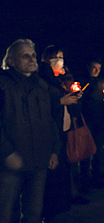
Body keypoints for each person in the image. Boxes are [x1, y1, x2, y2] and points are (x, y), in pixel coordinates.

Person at [0, 39, 61, 223]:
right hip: (10, 163)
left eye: (33, 55)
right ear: (11, 61)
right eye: (25, 56)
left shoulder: (41, 86)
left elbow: (49, 122)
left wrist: (54, 150)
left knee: (33, 214)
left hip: (38, 162)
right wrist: (7, 152)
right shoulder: (3, 86)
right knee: (5, 213)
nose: (32, 59)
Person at [38, 45, 84, 220]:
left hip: (63, 130)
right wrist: (61, 100)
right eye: (57, 57)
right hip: (51, 131)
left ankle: (61, 205)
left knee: (63, 169)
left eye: (62, 57)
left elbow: (72, 108)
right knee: (53, 172)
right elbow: (42, 105)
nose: (60, 61)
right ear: (47, 59)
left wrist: (75, 98)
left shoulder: (61, 79)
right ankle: (48, 211)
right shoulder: (43, 79)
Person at [79, 58, 104, 189]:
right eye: (94, 68)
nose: (97, 71)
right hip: (86, 121)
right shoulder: (83, 82)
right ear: (88, 67)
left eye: (99, 68)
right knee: (86, 152)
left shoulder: (101, 81)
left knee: (98, 151)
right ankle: (85, 181)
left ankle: (96, 178)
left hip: (99, 121)